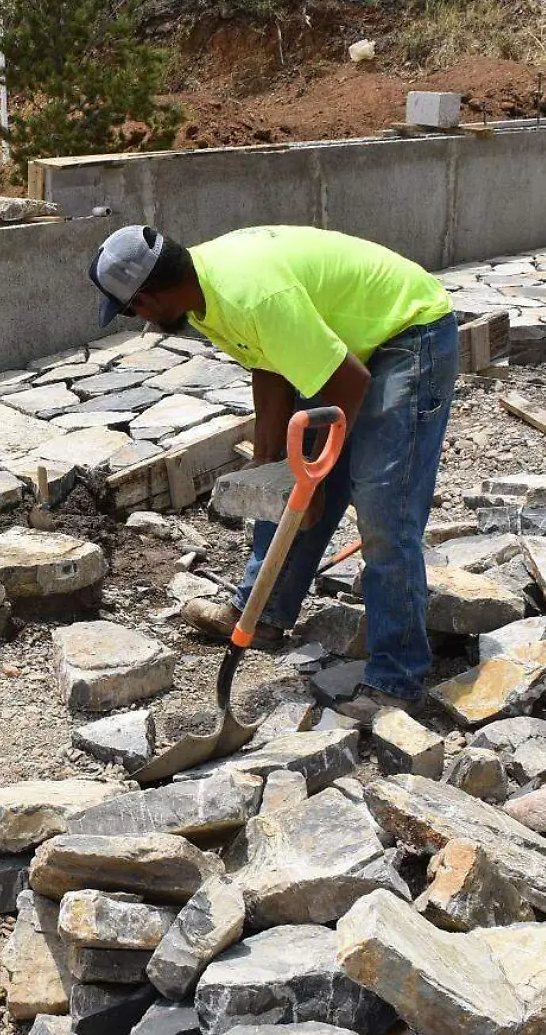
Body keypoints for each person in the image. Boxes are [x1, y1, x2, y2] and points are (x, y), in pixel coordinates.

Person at [88, 223, 458, 721]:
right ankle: (261, 615)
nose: (141, 321)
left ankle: (398, 678)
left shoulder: (251, 295)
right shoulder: (202, 298)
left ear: (150, 298)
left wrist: (317, 475)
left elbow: (350, 381)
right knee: (285, 485)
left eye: (132, 310)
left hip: (408, 331)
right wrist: (278, 472)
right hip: (345, 345)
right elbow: (269, 367)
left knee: (383, 510)